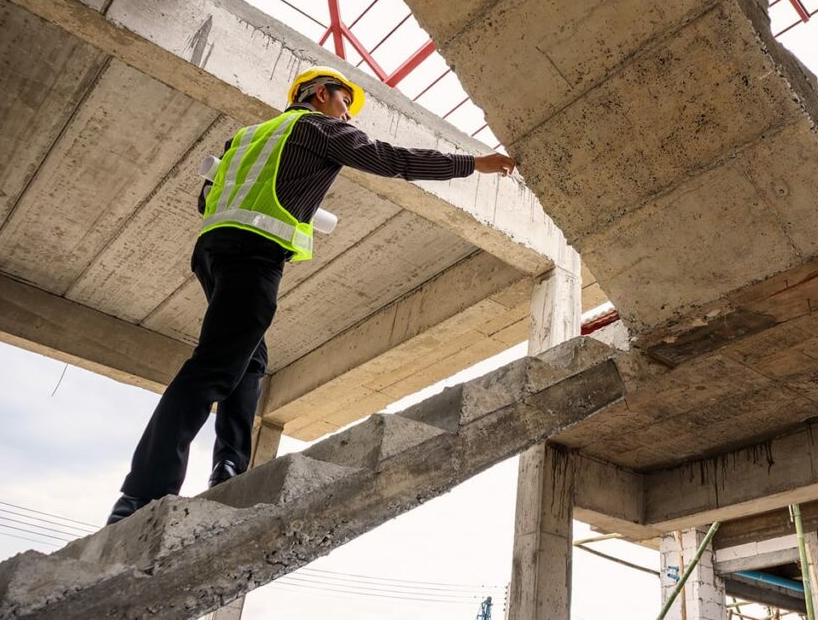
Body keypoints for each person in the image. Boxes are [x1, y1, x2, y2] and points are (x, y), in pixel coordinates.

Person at [107, 67, 515, 524]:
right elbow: (390, 159)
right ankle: (142, 493)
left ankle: (229, 468)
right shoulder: (318, 127)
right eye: (345, 102)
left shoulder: (246, 137)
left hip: (212, 251)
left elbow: (207, 200)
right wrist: (473, 164)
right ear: (321, 94)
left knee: (249, 361)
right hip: (255, 253)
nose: (349, 114)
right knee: (213, 367)